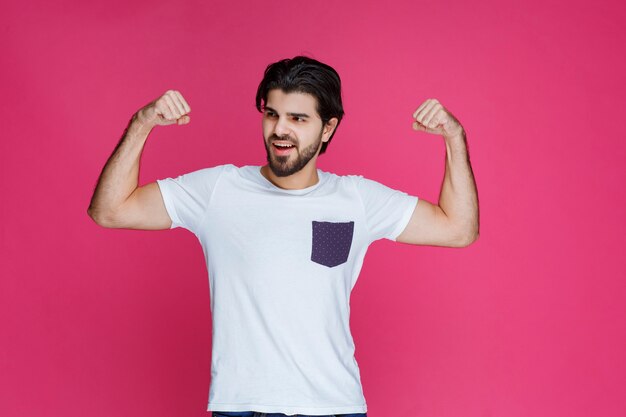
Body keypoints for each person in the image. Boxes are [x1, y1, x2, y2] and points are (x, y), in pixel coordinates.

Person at [87, 56, 479, 417]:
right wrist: (142, 123)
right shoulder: (218, 190)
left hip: (335, 405)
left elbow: (458, 229)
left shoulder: (357, 199)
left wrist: (454, 138)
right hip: (241, 405)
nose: (280, 130)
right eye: (272, 114)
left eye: (298, 118)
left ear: (328, 128)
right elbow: (110, 210)